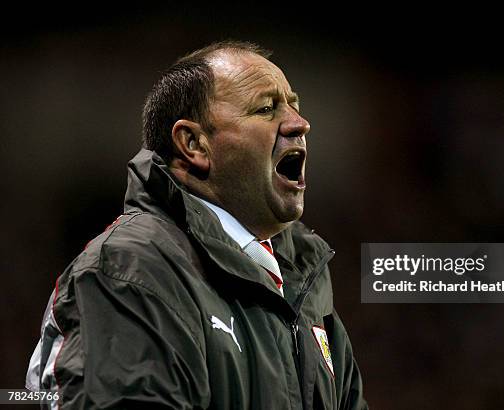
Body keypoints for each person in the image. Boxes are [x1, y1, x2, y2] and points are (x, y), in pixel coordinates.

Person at [25, 41, 367, 409]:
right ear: (194, 144)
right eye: (266, 108)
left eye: (294, 106)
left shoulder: (305, 282)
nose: (300, 123)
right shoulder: (131, 271)